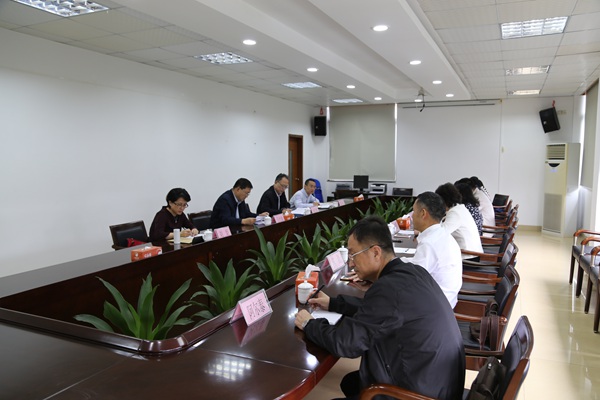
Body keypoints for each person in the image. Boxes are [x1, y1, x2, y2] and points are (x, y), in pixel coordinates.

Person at [295, 216, 465, 400]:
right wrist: (333, 303)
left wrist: (309, 324)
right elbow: (379, 313)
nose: (350, 263)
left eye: (353, 255)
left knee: (353, 385)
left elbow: (346, 343)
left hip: (419, 393)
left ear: (375, 252)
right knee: (351, 382)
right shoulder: (412, 272)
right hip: (438, 382)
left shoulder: (389, 288)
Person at [400, 192, 462, 308]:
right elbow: (418, 265)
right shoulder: (442, 234)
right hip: (447, 300)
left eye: (414, 211)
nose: (411, 216)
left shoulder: (429, 243)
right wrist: (396, 261)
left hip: (434, 307)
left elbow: (412, 278)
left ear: (423, 213)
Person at [435, 182, 483, 258]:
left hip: (468, 257)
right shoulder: (460, 208)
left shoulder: (455, 213)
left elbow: (441, 233)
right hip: (472, 253)